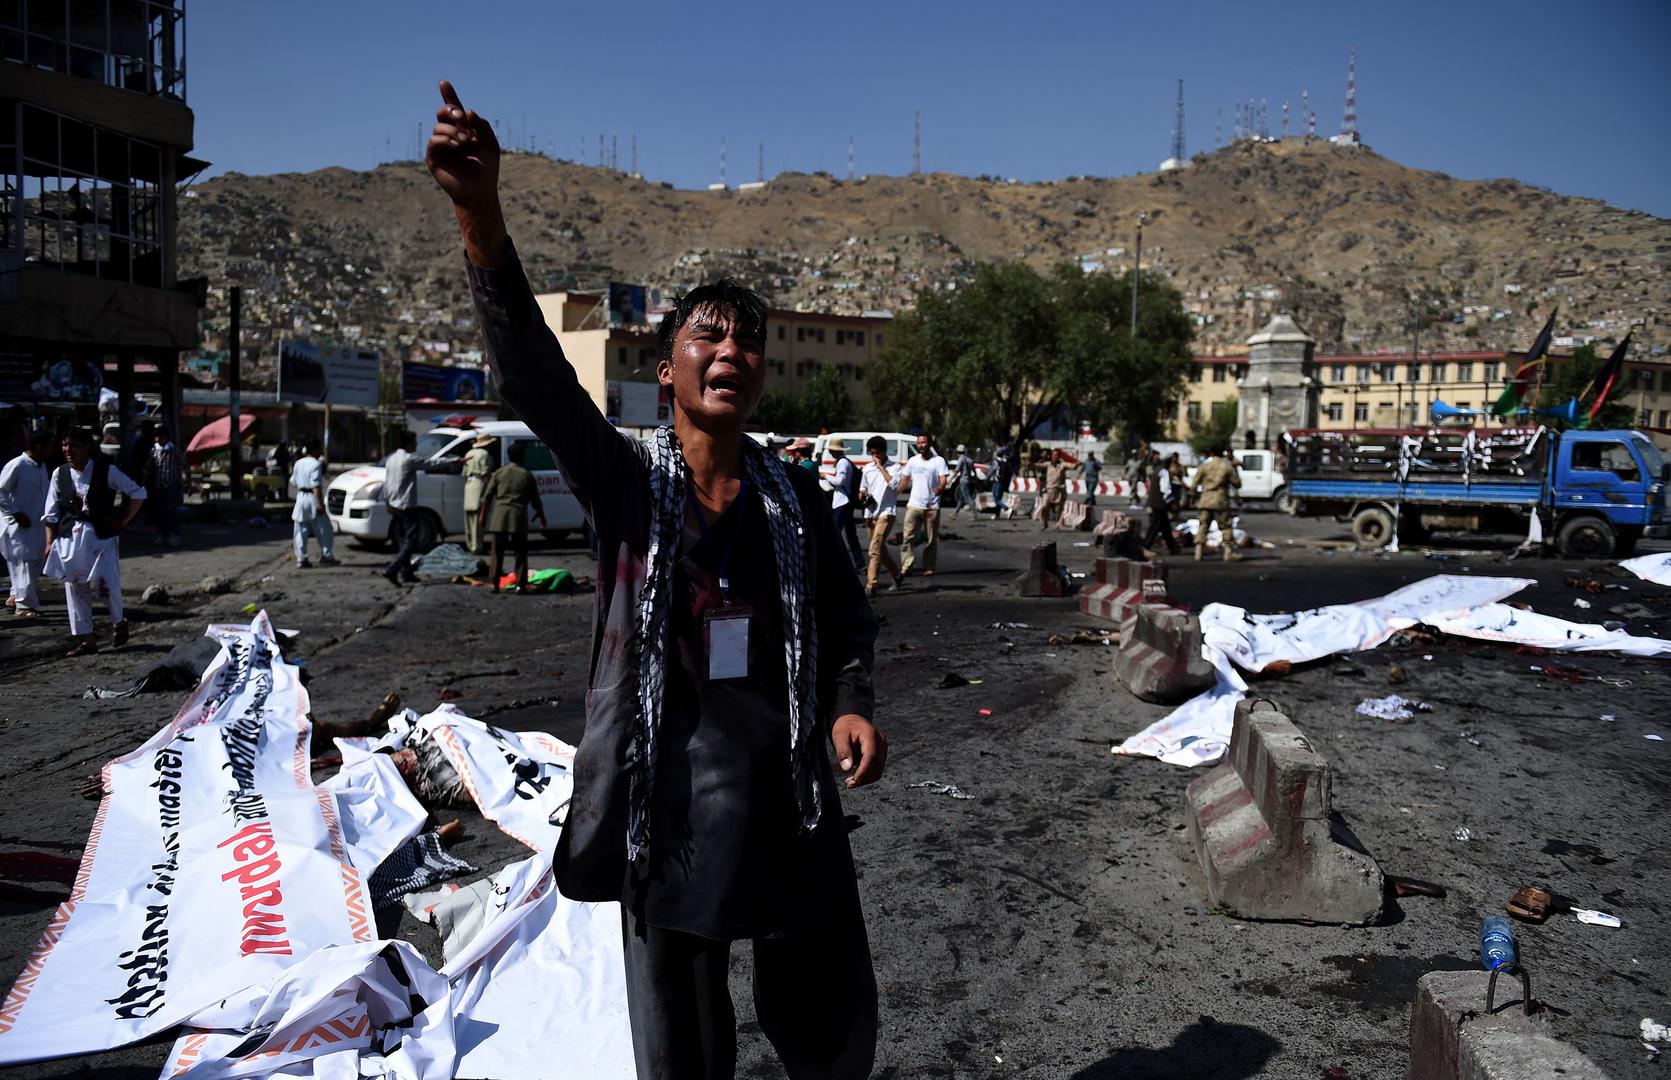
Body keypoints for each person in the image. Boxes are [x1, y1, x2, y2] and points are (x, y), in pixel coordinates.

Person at [429, 80, 885, 1079]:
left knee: (829, 1026)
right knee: (684, 1048)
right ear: (668, 371)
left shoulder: (798, 499)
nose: (731, 352)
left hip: (790, 799)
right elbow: (535, 380)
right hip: (672, 810)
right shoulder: (629, 488)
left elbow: (851, 623)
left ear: (760, 374)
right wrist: (479, 214)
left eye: (746, 342)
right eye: (706, 338)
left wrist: (850, 705)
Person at [43, 427, 146, 656]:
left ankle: (119, 621)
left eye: (74, 446)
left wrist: (124, 519)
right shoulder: (59, 474)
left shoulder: (105, 471)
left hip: (102, 538)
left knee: (106, 585)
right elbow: (50, 514)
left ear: (87, 447)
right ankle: (86, 639)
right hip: (70, 539)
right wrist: (49, 543)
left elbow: (138, 492)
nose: (68, 450)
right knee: (75, 588)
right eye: (65, 445)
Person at [1, 430, 52, 618]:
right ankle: (24, 606)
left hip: (37, 523)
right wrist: (15, 512)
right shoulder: (17, 465)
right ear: (39, 447)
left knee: (36, 561)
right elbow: (0, 491)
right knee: (23, 563)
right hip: (18, 525)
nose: (51, 450)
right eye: (49, 446)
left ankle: (15, 596)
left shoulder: (41, 467)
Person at [483, 437, 545, 592]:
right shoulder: (526, 475)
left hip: (499, 516)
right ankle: (520, 584)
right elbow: (535, 500)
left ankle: (496, 583)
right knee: (520, 552)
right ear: (522, 456)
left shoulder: (499, 473)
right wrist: (541, 516)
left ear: (509, 456)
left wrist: (482, 516)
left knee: (497, 552)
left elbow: (487, 496)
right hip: (518, 516)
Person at [898, 432, 948, 578]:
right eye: (919, 443)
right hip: (914, 504)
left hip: (931, 506)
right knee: (907, 537)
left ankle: (929, 566)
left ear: (930, 444)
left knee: (931, 539)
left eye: (924, 443)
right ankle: (907, 566)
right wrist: (894, 494)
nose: (921, 445)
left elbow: (944, 479)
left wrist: (939, 489)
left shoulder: (938, 461)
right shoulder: (913, 461)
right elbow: (905, 480)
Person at [859, 435, 904, 597]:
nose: (875, 456)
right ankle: (897, 575)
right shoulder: (867, 468)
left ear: (884, 452)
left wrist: (881, 468)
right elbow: (863, 487)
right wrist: (862, 494)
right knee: (880, 550)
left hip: (886, 512)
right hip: (870, 513)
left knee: (874, 549)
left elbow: (894, 485)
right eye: (872, 453)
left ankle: (872, 584)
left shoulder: (895, 467)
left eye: (877, 453)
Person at [290, 439, 337, 568]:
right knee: (324, 529)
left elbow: (293, 481)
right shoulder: (316, 464)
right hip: (312, 498)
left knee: (301, 530)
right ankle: (327, 555)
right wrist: (319, 503)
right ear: (315, 449)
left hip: (301, 497)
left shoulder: (298, 463)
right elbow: (316, 485)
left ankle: (301, 558)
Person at [382, 430, 420, 585]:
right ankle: (393, 569)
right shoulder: (408, 459)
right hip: (405, 505)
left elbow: (387, 483)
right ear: (408, 443)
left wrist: (387, 502)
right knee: (411, 540)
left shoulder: (391, 459)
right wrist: (456, 461)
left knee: (404, 540)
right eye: (414, 442)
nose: (416, 444)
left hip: (394, 504)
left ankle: (406, 572)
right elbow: (432, 463)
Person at [1192, 444, 1242, 562]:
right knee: (1225, 526)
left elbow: (1194, 484)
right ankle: (1228, 553)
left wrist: (1194, 496)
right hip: (1221, 501)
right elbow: (1237, 484)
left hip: (1205, 500)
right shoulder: (1227, 466)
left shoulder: (1205, 465)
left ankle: (1198, 553)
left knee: (1203, 526)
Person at [145, 425, 187, 546]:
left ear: (164, 437)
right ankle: (162, 534)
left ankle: (173, 535)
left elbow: (185, 466)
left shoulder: (174, 450)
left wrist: (187, 485)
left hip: (171, 485)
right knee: (160, 512)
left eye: (158, 436)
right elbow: (147, 469)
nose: (157, 439)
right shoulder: (154, 450)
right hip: (158, 486)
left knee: (170, 512)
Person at [827, 442, 865, 570]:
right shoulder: (844, 461)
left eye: (832, 450)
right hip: (846, 501)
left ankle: (835, 562)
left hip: (842, 502)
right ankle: (859, 562)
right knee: (851, 534)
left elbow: (840, 481)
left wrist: (826, 477)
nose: (831, 452)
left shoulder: (842, 463)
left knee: (834, 533)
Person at [1141, 449, 1179, 555]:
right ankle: (1145, 546)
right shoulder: (1164, 472)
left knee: (1165, 526)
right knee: (1155, 526)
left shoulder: (1158, 469)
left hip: (1155, 502)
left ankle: (1172, 546)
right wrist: (1172, 502)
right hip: (1159, 503)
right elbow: (1165, 489)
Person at [462, 432, 495, 555]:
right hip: (479, 484)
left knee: (469, 517)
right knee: (478, 517)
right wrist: (490, 489)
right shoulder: (484, 454)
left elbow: (464, 475)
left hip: (468, 485)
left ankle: (470, 544)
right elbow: (486, 474)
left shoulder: (469, 453)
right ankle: (477, 546)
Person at [1040, 449, 1068, 529]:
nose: (1054, 456)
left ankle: (1058, 524)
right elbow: (1039, 465)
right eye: (1053, 455)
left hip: (1059, 491)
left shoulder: (1062, 465)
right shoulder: (1048, 464)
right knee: (1044, 506)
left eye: (1056, 455)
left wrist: (1076, 463)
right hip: (1049, 490)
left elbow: (1072, 466)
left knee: (1059, 509)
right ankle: (1044, 523)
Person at [1124, 437, 1150, 508]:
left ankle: (1129, 499)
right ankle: (1138, 499)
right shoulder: (1129, 461)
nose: (1134, 456)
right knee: (1133, 489)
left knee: (1133, 488)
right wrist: (1124, 475)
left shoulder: (1139, 462)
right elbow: (1126, 469)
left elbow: (1142, 470)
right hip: (1130, 477)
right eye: (1133, 454)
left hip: (1136, 477)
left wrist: (1143, 477)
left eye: (1135, 454)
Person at [990, 444, 1013, 518]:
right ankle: (997, 514)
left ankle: (1007, 509)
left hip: (998, 481)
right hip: (1002, 481)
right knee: (998, 497)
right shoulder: (1006, 460)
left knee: (996, 498)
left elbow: (992, 470)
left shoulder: (998, 460)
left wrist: (988, 478)